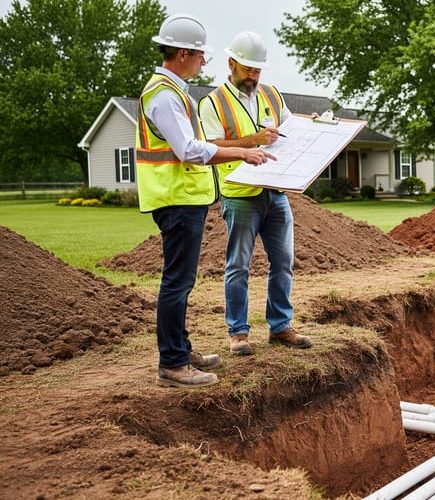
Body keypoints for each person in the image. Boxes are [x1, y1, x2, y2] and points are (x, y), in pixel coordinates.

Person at [136, 15, 275, 388]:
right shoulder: (164, 95)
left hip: (183, 198)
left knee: (182, 280)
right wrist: (239, 153)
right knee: (177, 283)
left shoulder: (172, 91)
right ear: (183, 53)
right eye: (200, 55)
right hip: (175, 199)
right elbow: (188, 150)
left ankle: (180, 349)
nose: (203, 62)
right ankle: (173, 364)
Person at [199, 31, 313, 356]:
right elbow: (209, 146)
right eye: (248, 69)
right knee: (239, 265)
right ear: (231, 63)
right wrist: (251, 141)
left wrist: (312, 125)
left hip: (275, 193)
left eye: (258, 70)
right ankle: (238, 333)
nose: (254, 75)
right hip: (240, 195)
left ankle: (280, 326)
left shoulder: (272, 96)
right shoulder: (213, 103)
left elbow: (291, 129)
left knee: (284, 262)